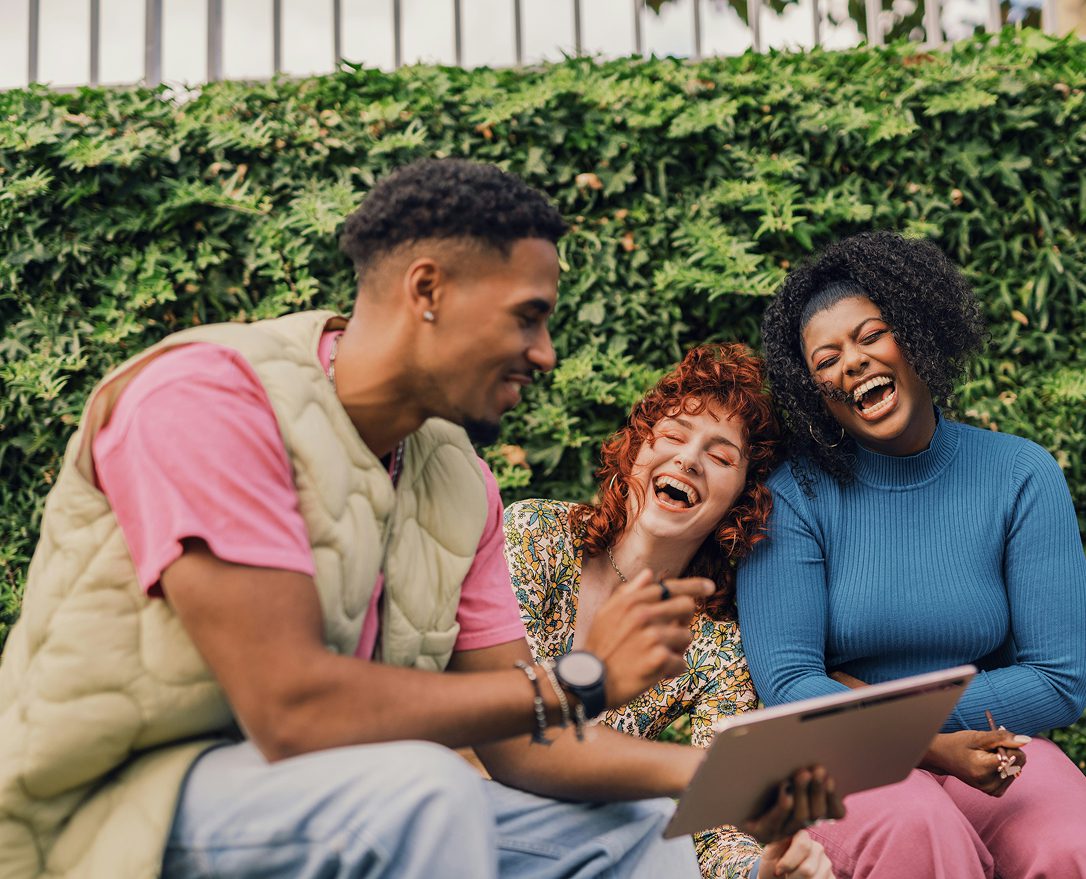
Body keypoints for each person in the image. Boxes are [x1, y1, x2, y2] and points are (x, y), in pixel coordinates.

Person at [0, 158, 839, 879]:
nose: (545, 352)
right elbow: (290, 705)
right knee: (423, 791)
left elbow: (522, 741)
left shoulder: (455, 480)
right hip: (114, 802)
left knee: (627, 835)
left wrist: (709, 778)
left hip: (322, 789)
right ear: (427, 289)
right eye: (528, 315)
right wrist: (578, 679)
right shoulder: (212, 400)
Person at [738, 230, 1086, 879]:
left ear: (917, 330)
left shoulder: (1019, 474)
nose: (852, 362)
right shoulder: (792, 497)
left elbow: (1060, 678)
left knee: (1071, 841)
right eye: (827, 358)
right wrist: (924, 743)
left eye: (871, 334)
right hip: (838, 755)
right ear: (814, 390)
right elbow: (789, 685)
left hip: (990, 745)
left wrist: (879, 703)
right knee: (916, 829)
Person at [505, 343, 836, 879]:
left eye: (721, 456)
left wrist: (761, 870)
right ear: (637, 449)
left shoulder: (716, 646)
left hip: (581, 843)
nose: (688, 459)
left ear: (743, 497)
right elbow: (506, 718)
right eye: (675, 436)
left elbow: (715, 824)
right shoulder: (537, 533)